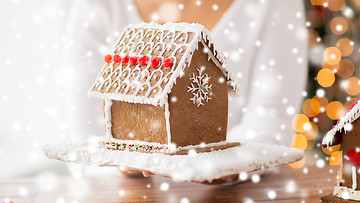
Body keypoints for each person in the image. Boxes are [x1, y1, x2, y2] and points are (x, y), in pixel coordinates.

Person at [63, 0, 307, 178]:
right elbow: (83, 138)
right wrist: (125, 162)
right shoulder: (97, 6)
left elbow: (272, 120)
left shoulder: (272, 5)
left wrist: (224, 165)